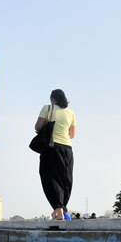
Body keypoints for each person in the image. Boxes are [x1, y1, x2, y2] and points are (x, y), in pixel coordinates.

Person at [35, 89, 76, 221]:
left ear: (53, 99)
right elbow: (72, 135)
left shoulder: (48, 108)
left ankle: (58, 211)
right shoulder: (70, 113)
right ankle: (61, 209)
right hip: (67, 149)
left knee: (50, 177)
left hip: (51, 147)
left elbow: (38, 127)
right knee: (65, 180)